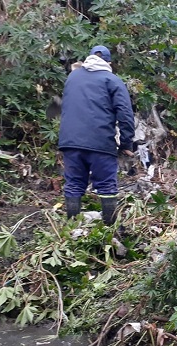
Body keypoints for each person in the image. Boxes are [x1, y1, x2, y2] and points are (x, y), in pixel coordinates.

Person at [58, 45, 135, 225]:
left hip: (70, 143)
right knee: (107, 186)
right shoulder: (112, 80)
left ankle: (71, 231)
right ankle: (109, 231)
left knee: (74, 184)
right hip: (100, 142)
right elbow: (125, 114)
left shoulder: (72, 77)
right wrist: (126, 144)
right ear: (109, 62)